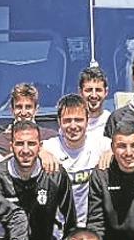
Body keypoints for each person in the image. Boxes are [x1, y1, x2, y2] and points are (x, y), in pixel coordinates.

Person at [0, 120, 77, 240]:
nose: (26, 150)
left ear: (40, 147)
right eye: (20, 143)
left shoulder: (55, 175)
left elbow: (69, 222)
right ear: (11, 146)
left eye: (32, 144)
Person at [42, 93, 112, 225]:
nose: (73, 126)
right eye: (67, 120)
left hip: (93, 227)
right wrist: (41, 153)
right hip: (59, 230)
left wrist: (112, 151)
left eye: (78, 120)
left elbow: (129, 145)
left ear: (87, 119)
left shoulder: (101, 144)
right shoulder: (50, 147)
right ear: (59, 122)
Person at [0, 83, 59, 153]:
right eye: (19, 107)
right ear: (12, 109)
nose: (23, 113)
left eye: (28, 107)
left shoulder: (50, 137)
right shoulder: (0, 141)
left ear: (36, 109)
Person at [78, 66, 113, 136]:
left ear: (106, 92)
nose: (94, 95)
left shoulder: (112, 123)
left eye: (98, 90)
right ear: (80, 92)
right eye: (89, 90)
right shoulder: (72, 123)